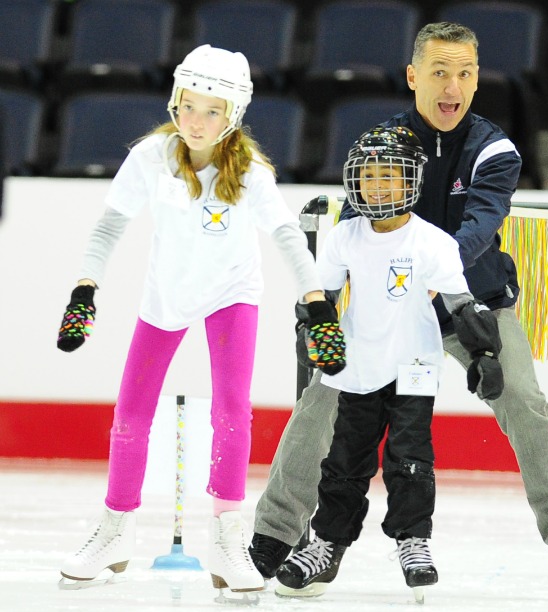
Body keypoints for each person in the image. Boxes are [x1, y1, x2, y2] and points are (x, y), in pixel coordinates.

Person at [250, 22, 548, 591]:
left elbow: (479, 228)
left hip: (472, 304)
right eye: (440, 72)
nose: (452, 86)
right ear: (414, 77)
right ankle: (274, 535)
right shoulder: (385, 144)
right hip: (386, 314)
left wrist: (428, 273)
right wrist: (322, 313)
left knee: (524, 398)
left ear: (477, 79)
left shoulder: (495, 150)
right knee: (322, 401)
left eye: (464, 73)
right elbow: (353, 233)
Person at [55, 45, 345, 597]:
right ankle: (115, 531)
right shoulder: (151, 157)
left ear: (233, 115)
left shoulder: (251, 172)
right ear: (175, 101)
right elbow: (110, 225)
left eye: (212, 111)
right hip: (165, 297)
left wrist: (318, 303)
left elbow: (285, 235)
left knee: (233, 413)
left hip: (231, 296)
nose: (195, 120)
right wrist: (84, 290)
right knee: (130, 416)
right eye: (189, 105)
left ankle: (227, 539)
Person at [273, 126, 503, 599]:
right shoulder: (342, 238)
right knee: (344, 462)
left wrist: (484, 353)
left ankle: (413, 540)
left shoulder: (433, 242)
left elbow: (462, 303)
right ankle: (326, 544)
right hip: (357, 368)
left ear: (411, 181)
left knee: (411, 458)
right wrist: (308, 331)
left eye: (389, 176)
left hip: (414, 366)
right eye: (370, 176)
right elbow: (320, 298)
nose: (378, 186)